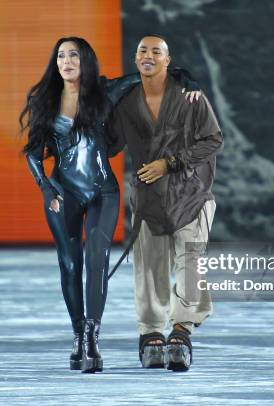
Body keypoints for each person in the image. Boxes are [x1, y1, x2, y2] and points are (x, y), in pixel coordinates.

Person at [19, 37, 199, 373]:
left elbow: (153, 73)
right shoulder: (44, 99)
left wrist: (188, 80)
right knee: (70, 265)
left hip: (103, 191)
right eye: (61, 55)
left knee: (96, 261)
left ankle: (92, 338)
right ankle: (77, 336)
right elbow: (32, 152)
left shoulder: (106, 92)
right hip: (63, 192)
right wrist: (45, 187)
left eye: (73, 54)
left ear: (85, 60)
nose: (66, 60)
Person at [107, 35, 223, 371]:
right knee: (149, 269)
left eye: (156, 51)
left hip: (190, 195)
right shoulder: (127, 102)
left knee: (190, 267)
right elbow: (110, 143)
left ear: (168, 60)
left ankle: (182, 331)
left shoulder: (190, 96)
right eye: (142, 50)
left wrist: (170, 163)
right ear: (135, 58)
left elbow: (213, 140)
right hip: (148, 200)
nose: (148, 55)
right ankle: (151, 333)